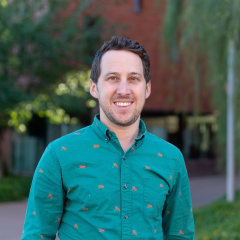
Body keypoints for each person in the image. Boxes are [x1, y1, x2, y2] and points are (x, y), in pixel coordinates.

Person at [21, 36, 195, 240]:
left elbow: (180, 235)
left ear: (147, 88)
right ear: (94, 87)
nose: (123, 90)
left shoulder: (171, 158)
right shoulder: (59, 155)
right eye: (112, 78)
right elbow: (37, 235)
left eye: (133, 79)